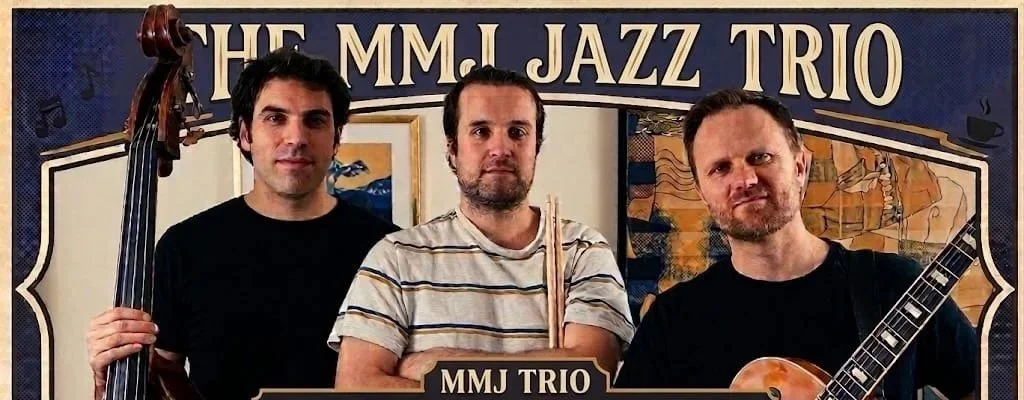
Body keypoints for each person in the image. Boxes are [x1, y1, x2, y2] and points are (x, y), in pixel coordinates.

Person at [612, 89, 979, 400]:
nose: (745, 179)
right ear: (702, 192)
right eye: (721, 168)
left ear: (800, 166)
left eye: (760, 157)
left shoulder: (897, 286)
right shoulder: (673, 322)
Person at [85, 47, 400, 400]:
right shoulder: (185, 248)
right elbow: (157, 385)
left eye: (315, 120)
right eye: (275, 118)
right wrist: (106, 381)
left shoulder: (391, 252)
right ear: (246, 134)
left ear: (336, 138)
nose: (296, 138)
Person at [328, 66, 635, 389]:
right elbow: (355, 386)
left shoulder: (582, 250)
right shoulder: (395, 258)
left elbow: (589, 375)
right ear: (452, 150)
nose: (500, 149)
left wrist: (437, 367)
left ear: (536, 147)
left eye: (517, 132)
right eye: (480, 131)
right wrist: (544, 370)